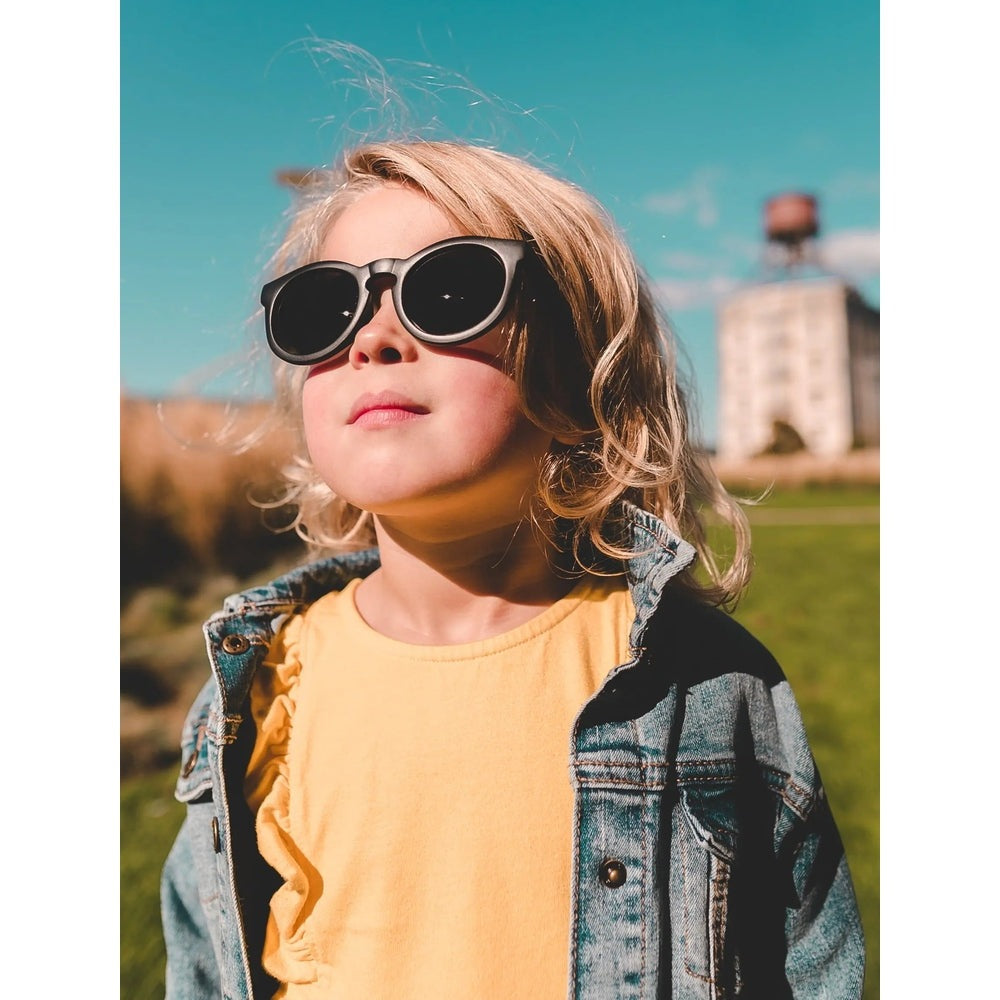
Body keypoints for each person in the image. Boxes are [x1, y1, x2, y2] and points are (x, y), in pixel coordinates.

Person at [160, 139, 865, 1000]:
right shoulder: (258, 695)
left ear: (583, 371)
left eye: (450, 291)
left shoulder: (709, 687)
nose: (372, 339)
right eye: (322, 309)